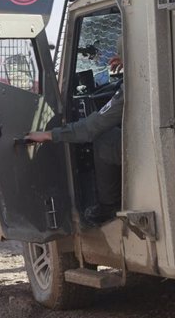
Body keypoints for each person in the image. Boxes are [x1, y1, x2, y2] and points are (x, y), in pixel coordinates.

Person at [25, 48, 124, 226]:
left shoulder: (132, 86)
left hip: (146, 149)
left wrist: (49, 134)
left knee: (105, 139)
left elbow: (91, 128)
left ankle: (109, 205)